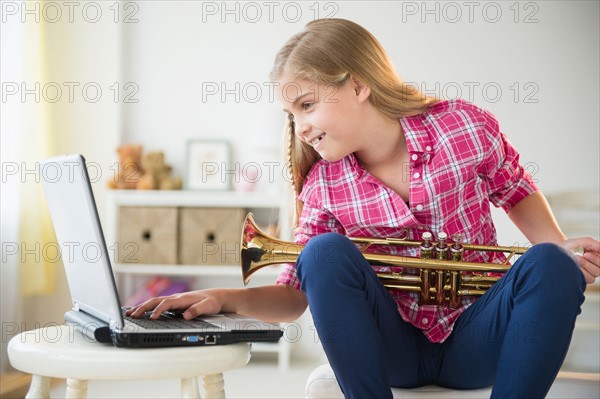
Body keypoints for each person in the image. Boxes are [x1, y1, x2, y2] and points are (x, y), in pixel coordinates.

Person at [127, 19, 600, 398]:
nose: (301, 127)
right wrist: (223, 299)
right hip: (390, 351)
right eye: (292, 115)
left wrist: (559, 248)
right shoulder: (322, 186)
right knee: (322, 253)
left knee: (552, 263)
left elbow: (514, 187)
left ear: (358, 86)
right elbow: (295, 298)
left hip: (478, 338)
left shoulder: (461, 126)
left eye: (308, 105)